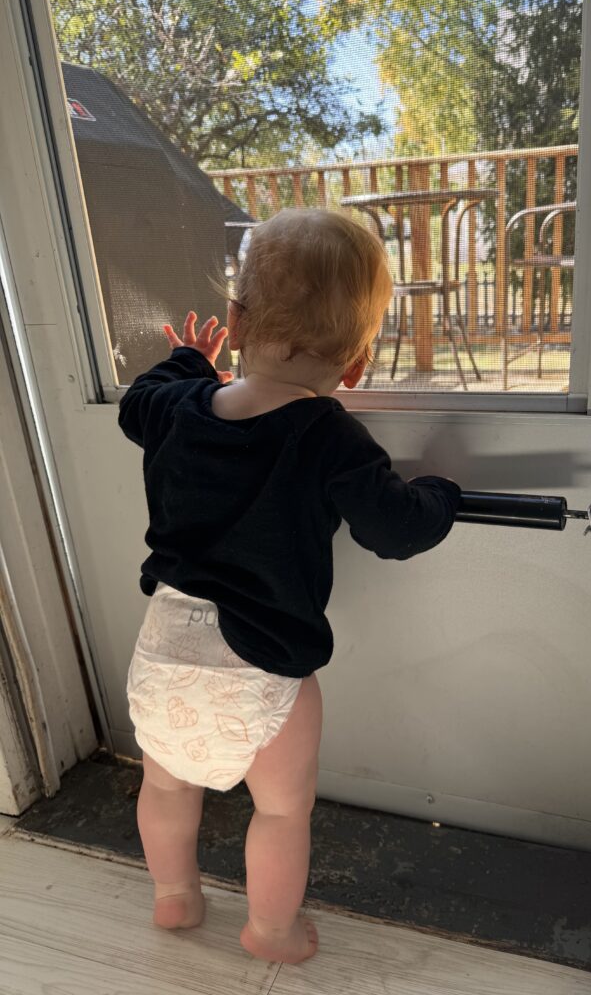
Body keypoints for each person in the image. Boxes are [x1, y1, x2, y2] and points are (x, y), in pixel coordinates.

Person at [118, 207, 461, 965]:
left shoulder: (176, 408)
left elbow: (135, 405)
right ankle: (270, 932)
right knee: (279, 812)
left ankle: (174, 896)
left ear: (237, 322)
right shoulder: (329, 435)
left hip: (164, 654)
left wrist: (187, 361)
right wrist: (442, 492)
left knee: (166, 789)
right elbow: (396, 529)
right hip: (263, 667)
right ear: (357, 365)